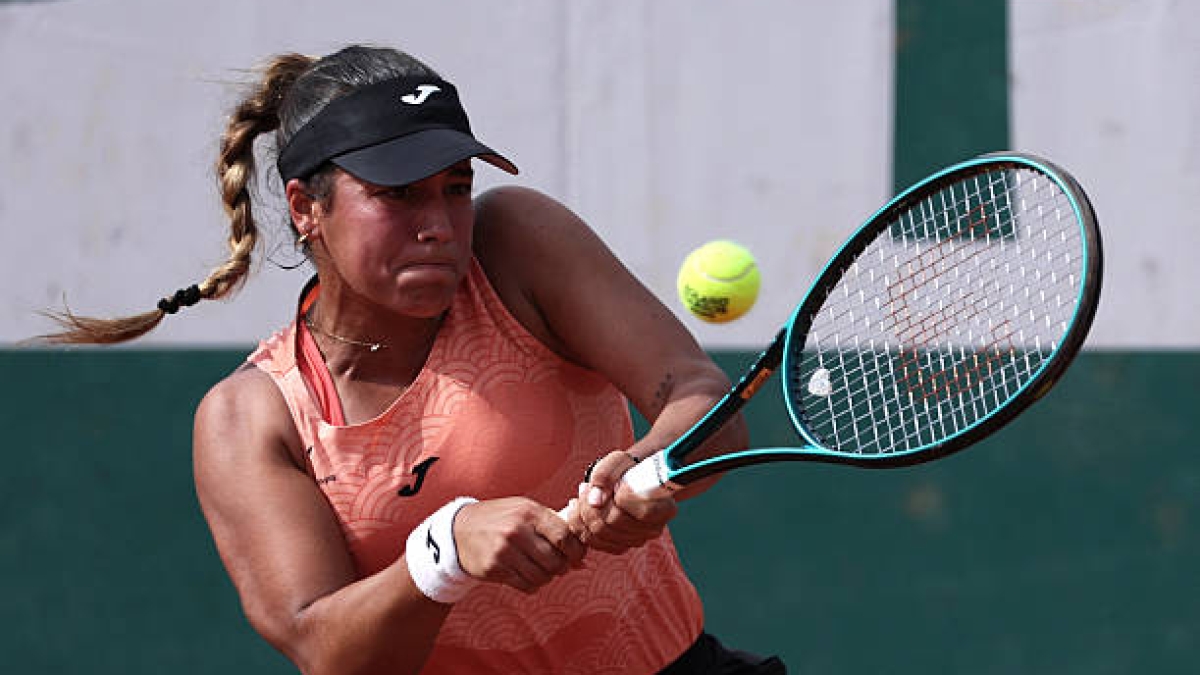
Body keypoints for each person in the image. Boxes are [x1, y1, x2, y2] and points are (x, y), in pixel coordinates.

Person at [44, 45, 786, 675]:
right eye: (397, 193)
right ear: (307, 208)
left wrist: (653, 465)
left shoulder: (518, 242)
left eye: (456, 188)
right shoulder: (249, 418)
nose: (438, 224)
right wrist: (444, 551)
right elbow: (324, 646)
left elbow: (699, 397)